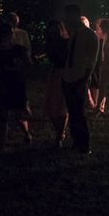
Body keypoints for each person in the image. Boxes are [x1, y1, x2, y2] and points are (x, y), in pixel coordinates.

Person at [62, 4, 99, 154]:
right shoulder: (72, 34)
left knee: (79, 112)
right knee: (72, 111)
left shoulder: (89, 35)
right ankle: (76, 142)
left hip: (79, 78)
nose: (66, 19)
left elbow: (92, 59)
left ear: (76, 15)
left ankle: (84, 144)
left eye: (68, 16)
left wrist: (84, 78)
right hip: (69, 77)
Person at [0, 24, 32, 151]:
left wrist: (18, 71)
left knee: (18, 115)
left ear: (12, 35)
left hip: (17, 84)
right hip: (3, 83)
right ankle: (2, 145)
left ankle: (26, 133)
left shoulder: (19, 50)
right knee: (3, 114)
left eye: (7, 34)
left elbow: (29, 66)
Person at [43, 20, 69, 148]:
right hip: (55, 73)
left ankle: (60, 135)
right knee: (52, 104)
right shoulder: (50, 44)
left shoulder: (66, 43)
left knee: (61, 105)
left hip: (63, 73)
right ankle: (59, 132)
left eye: (55, 30)